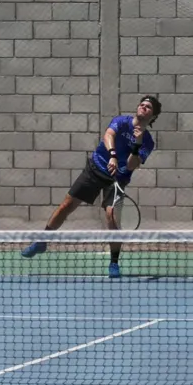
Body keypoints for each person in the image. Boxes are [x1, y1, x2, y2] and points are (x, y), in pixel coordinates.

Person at [21, 95, 161, 278]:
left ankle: (114, 262)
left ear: (153, 115)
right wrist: (112, 155)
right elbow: (108, 135)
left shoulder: (148, 142)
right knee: (66, 206)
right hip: (96, 168)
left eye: (148, 107)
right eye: (141, 104)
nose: (143, 107)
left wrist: (137, 144)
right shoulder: (121, 121)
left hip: (117, 180)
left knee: (111, 218)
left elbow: (132, 165)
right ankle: (42, 241)